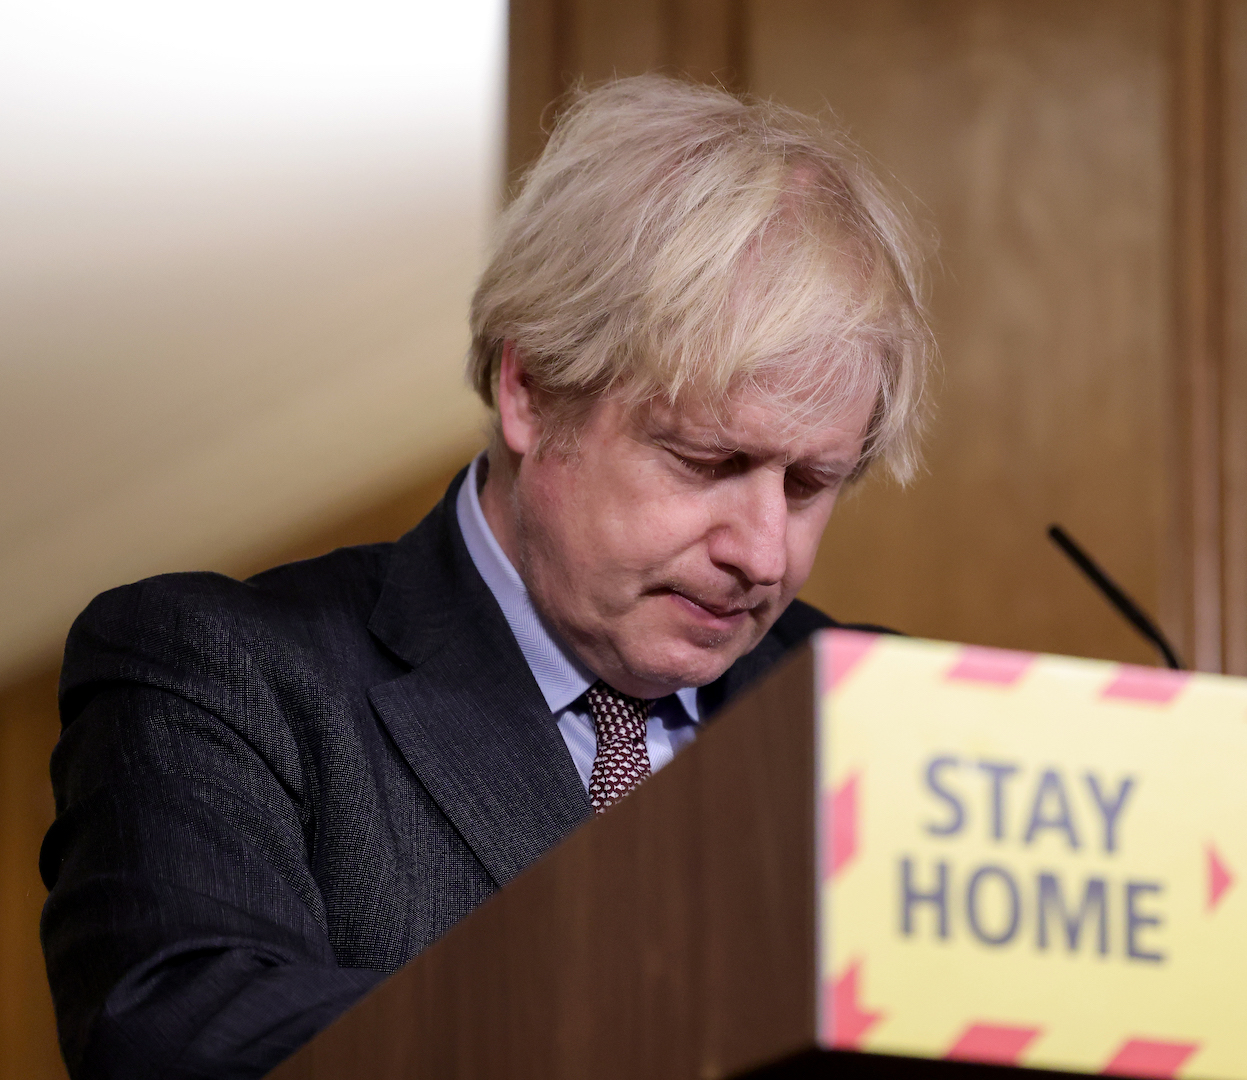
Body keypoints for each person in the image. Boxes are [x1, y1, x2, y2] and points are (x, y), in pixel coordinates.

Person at [39, 75, 931, 1080]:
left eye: (810, 483)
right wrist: (679, 1020)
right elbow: (175, 1033)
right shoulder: (216, 670)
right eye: (705, 462)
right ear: (531, 390)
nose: (763, 553)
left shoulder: (879, 713)